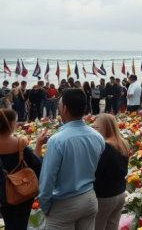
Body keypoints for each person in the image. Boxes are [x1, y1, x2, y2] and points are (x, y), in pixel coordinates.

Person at [37, 88, 105, 229]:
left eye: (59, 106)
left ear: (65, 109)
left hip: (64, 203)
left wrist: (44, 205)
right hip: (89, 198)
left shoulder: (57, 140)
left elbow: (48, 178)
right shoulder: (97, 136)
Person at [0, 108, 42, 230]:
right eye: (16, 121)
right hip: (21, 192)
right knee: (20, 224)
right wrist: (38, 144)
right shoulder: (19, 143)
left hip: (2, 197)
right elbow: (37, 165)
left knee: (9, 224)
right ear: (10, 124)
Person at [92, 114, 130, 230]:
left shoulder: (105, 147)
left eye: (96, 128)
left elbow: (96, 174)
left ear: (106, 128)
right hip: (119, 193)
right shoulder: (122, 143)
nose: (94, 130)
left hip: (104, 196)